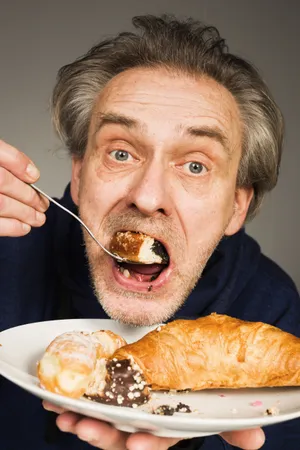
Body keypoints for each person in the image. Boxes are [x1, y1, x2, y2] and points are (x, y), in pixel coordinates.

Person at [0, 13, 299, 450]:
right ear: (79, 178)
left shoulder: (271, 311)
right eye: (121, 152)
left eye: (195, 165)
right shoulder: (7, 251)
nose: (147, 195)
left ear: (238, 206)